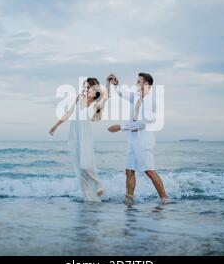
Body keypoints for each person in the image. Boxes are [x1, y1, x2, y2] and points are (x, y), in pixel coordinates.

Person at [107, 73, 169, 204]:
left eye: (138, 81)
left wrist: (121, 126)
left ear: (146, 84)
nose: (136, 84)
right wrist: (116, 83)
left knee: (150, 171)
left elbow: (143, 122)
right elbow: (121, 93)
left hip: (144, 142)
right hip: (133, 141)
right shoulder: (135, 97)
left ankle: (164, 198)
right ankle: (129, 199)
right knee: (129, 171)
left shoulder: (152, 101)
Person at [49, 77, 110, 202]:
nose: (85, 90)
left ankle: (99, 184)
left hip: (85, 135)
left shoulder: (95, 103)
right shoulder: (79, 97)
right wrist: (56, 126)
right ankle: (89, 198)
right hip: (75, 135)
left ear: (94, 89)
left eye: (88, 87)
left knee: (85, 165)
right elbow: (69, 113)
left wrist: (108, 82)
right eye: (84, 87)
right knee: (79, 170)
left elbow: (106, 96)